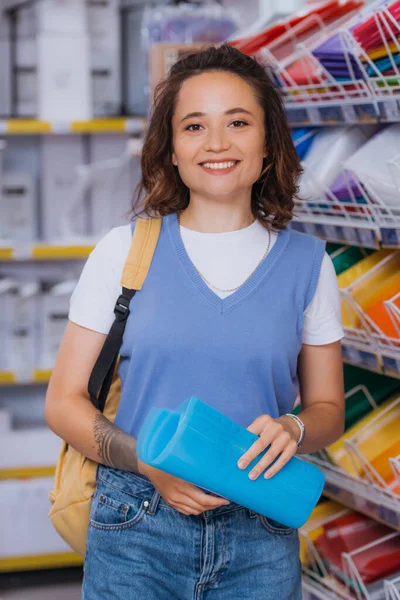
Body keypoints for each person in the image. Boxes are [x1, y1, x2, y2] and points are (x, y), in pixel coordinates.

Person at [45, 43, 345, 599]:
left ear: (268, 145)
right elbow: (63, 402)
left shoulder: (310, 264)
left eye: (238, 122)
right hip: (136, 523)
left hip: (261, 525)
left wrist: (295, 428)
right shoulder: (124, 252)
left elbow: (329, 409)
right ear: (173, 151)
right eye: (193, 126)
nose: (216, 143)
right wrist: (150, 461)